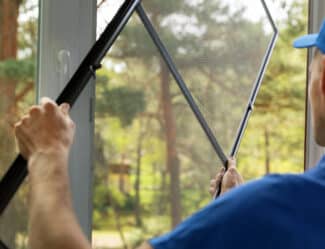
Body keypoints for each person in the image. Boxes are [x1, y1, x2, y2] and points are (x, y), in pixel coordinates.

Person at [14, 18, 325, 249]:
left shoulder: (277, 209)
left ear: (323, 82)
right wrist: (231, 213)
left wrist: (47, 152)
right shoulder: (277, 214)